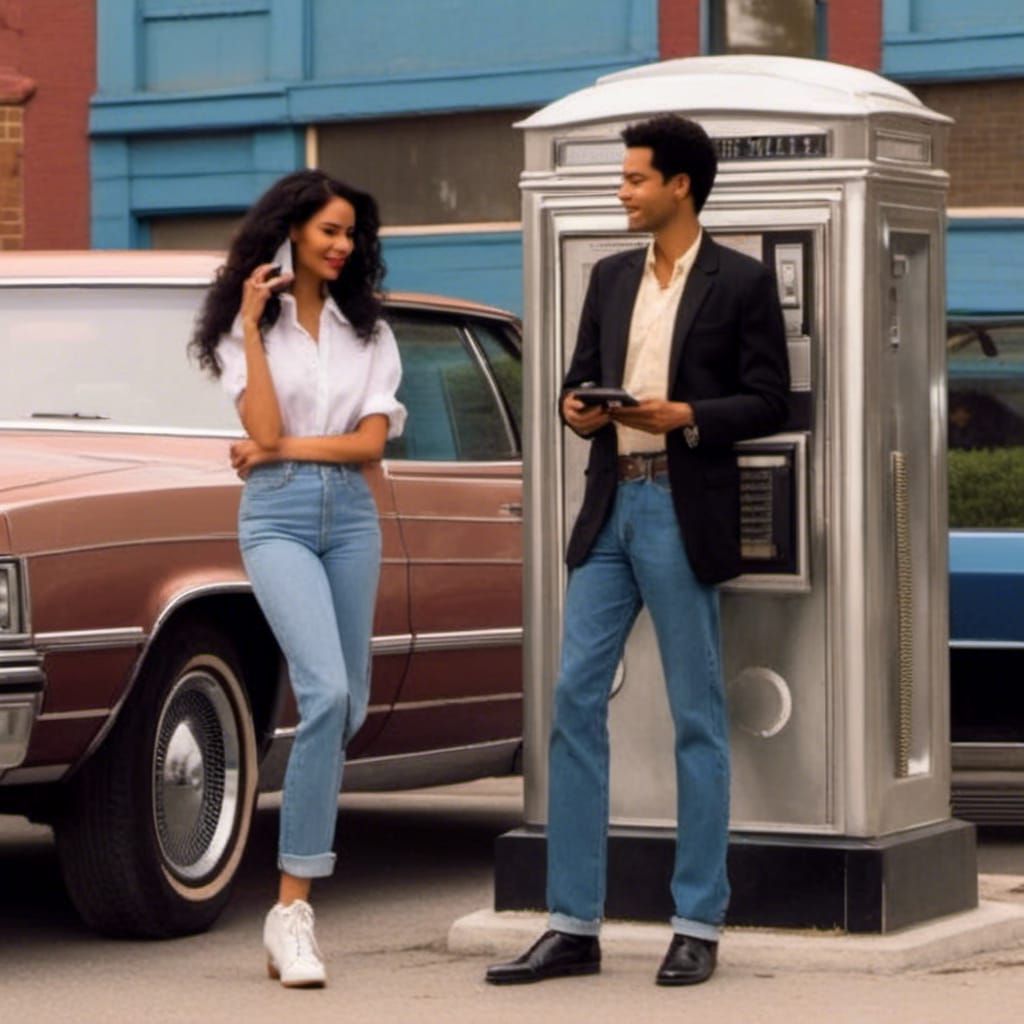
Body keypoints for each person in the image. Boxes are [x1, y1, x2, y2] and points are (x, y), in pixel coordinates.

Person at [486, 114, 789, 987]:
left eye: (632, 179)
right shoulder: (612, 276)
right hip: (610, 506)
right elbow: (577, 383)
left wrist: (687, 416)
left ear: (679, 186)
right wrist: (576, 408)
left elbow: (771, 400)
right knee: (573, 700)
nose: (620, 192)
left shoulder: (742, 282)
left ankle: (697, 921)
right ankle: (573, 924)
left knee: (697, 714)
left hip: (680, 507)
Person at [190, 169, 405, 988]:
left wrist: (283, 450)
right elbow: (265, 426)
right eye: (328, 232)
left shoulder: (369, 332)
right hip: (276, 517)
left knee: (346, 701)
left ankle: (291, 884)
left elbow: (370, 447)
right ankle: (292, 912)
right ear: (288, 234)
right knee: (322, 694)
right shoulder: (241, 334)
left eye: (351, 233)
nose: (343, 246)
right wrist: (250, 322)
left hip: (350, 514)